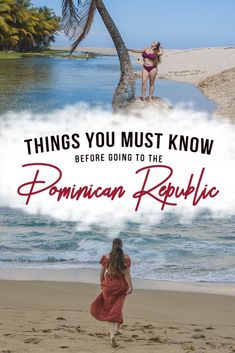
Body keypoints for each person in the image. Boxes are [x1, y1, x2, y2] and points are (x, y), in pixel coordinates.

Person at [90, 238, 133, 348]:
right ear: (122, 245)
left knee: (111, 310)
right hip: (121, 287)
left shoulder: (106, 257)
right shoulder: (126, 258)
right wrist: (131, 287)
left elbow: (102, 272)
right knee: (117, 309)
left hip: (108, 287)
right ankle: (115, 333)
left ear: (112, 245)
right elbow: (127, 275)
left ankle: (113, 334)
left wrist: (102, 284)